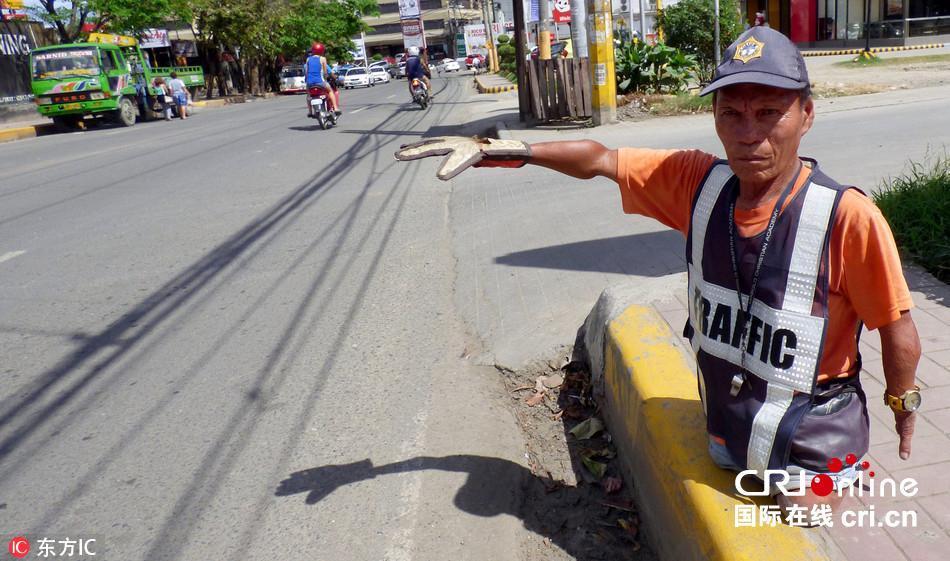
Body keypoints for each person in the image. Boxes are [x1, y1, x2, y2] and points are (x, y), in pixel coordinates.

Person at [395, 27, 922, 516]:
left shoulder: (847, 217)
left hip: (813, 440)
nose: (749, 134)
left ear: (806, 115)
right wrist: (508, 151)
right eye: (731, 115)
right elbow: (600, 158)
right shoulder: (698, 184)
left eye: (769, 113)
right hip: (726, 428)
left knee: (797, 536)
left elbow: (896, 327)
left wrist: (903, 400)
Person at [304, 42, 340, 117]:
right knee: (330, 91)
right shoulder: (323, 59)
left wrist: (307, 81)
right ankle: (336, 108)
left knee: (308, 95)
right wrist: (326, 79)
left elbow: (306, 72)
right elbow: (325, 72)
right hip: (320, 82)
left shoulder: (308, 59)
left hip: (310, 83)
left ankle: (310, 112)